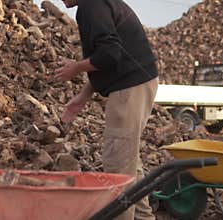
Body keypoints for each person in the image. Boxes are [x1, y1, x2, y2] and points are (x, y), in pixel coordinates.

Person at [54, 0, 159, 220]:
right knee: (128, 160)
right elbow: (107, 59)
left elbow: (110, 54)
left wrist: (76, 67)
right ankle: (143, 217)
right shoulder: (97, 4)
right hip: (137, 83)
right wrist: (82, 96)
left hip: (128, 88)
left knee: (117, 166)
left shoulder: (91, 6)